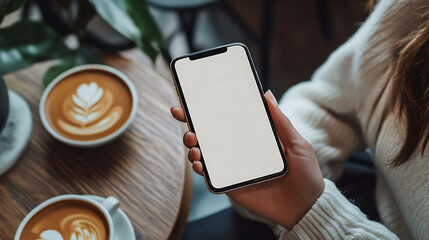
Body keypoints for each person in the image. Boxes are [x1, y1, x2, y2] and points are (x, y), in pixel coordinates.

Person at [170, 0, 429, 238]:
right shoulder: (414, 10)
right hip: (340, 190)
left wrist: (309, 212)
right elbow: (332, 97)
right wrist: (274, 157)